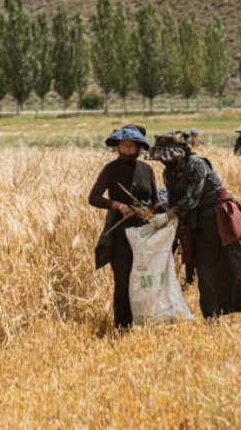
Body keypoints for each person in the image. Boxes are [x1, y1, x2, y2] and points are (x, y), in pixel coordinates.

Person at [150, 134, 241, 321]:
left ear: (180, 152)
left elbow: (192, 199)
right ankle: (211, 315)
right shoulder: (168, 174)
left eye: (167, 157)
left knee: (235, 264)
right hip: (197, 222)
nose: (163, 161)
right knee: (204, 268)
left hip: (219, 215)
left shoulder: (197, 164)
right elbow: (174, 201)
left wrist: (169, 215)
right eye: (161, 157)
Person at [90, 125, 164, 329]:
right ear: (118, 147)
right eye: (123, 145)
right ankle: (123, 325)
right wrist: (117, 206)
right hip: (120, 233)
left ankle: (145, 321)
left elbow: (156, 200)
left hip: (144, 231)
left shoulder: (147, 170)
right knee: (123, 279)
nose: (127, 148)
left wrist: (154, 212)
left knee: (144, 278)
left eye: (131, 145)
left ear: (139, 147)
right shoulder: (110, 169)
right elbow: (93, 198)